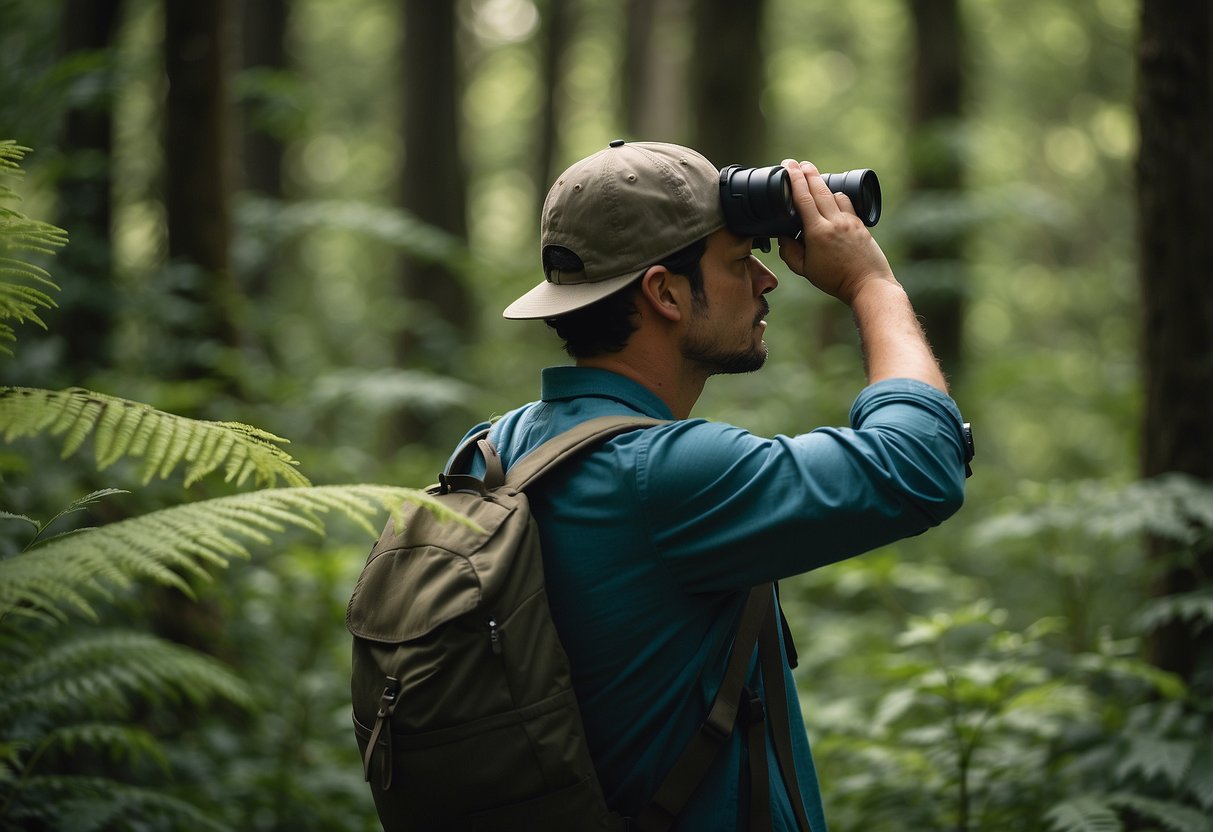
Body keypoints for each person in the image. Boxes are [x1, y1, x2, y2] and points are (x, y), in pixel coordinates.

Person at [451, 140, 969, 830]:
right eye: (738, 262)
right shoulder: (663, 477)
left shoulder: (493, 449)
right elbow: (920, 463)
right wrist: (871, 285)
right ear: (664, 293)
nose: (767, 281)